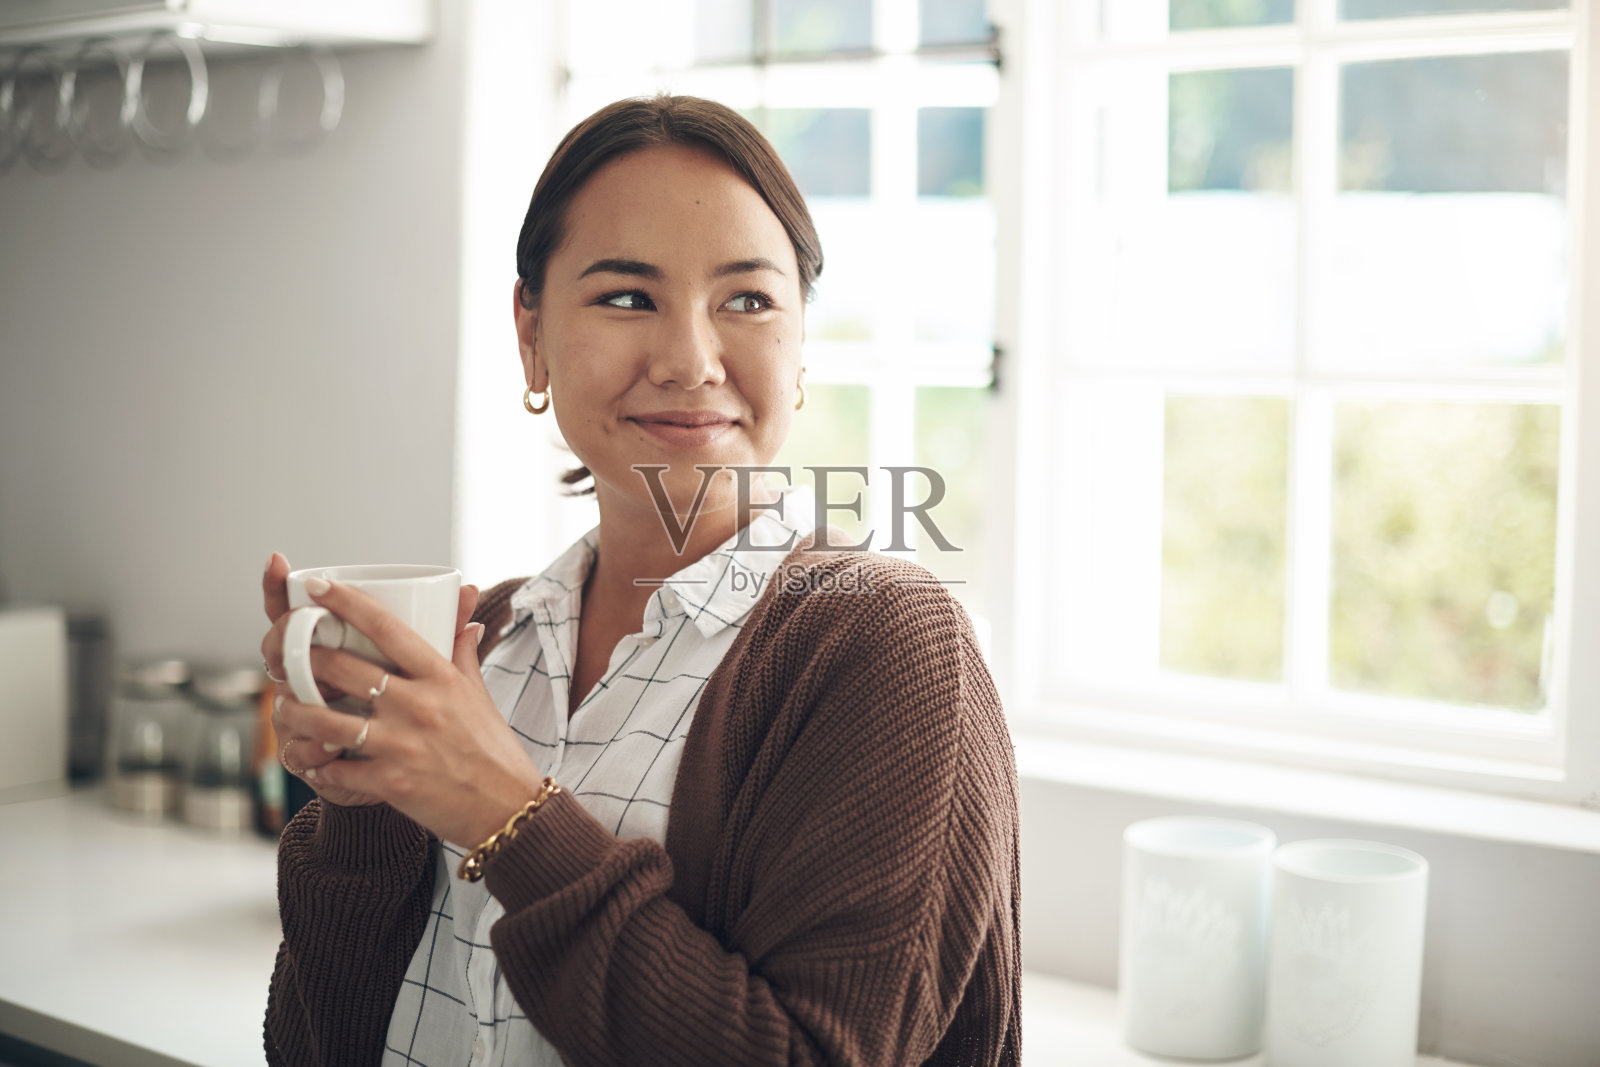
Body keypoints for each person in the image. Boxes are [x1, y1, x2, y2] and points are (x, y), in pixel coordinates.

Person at [259, 93, 1021, 1067]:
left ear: (799, 348)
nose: (690, 361)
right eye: (626, 296)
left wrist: (502, 812)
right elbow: (316, 1042)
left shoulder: (885, 643)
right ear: (530, 334)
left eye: (746, 299)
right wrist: (365, 807)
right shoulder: (482, 640)